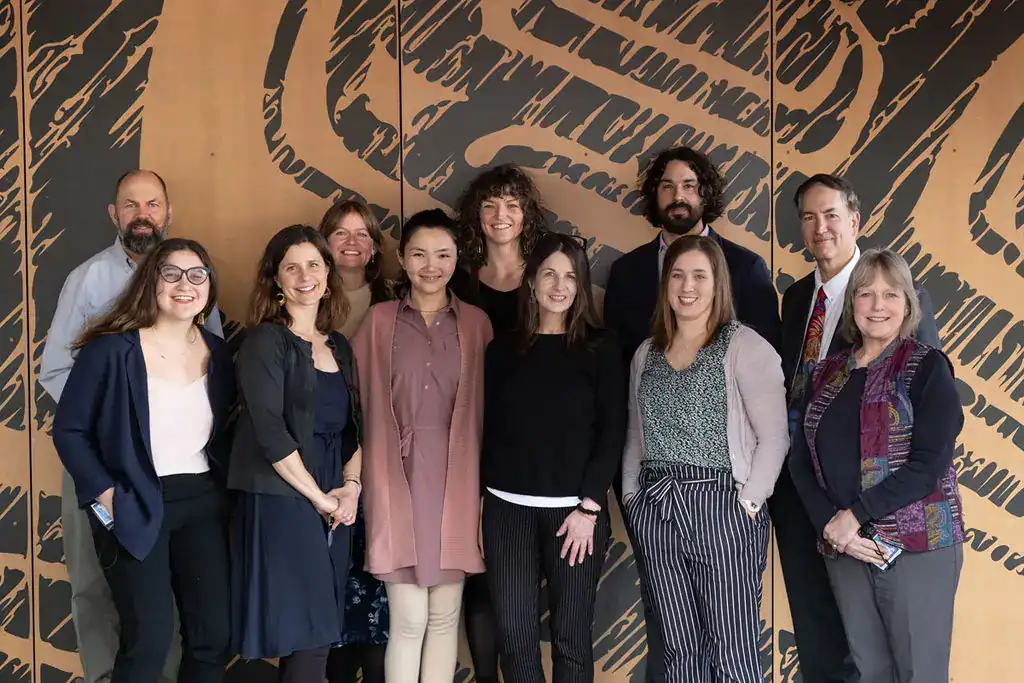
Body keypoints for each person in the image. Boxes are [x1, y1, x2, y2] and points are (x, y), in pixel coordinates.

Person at [39, 169, 223, 683]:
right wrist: (112, 442)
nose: (143, 215)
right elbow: (56, 371)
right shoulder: (89, 279)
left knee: (181, 615)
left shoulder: (198, 289)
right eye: (131, 205)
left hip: (185, 484)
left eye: (153, 205)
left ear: (168, 213)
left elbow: (211, 376)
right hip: (108, 464)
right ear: (114, 214)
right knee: (96, 588)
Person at [602, 147, 779, 682]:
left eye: (699, 277)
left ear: (717, 281)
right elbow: (634, 432)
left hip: (723, 503)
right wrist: (632, 499)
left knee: (732, 646)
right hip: (658, 505)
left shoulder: (743, 345)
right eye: (678, 276)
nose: (687, 287)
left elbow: (774, 436)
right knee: (677, 651)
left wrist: (747, 504)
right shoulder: (646, 353)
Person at [774, 174, 941, 683]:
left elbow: (924, 411)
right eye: (808, 217)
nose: (820, 227)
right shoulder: (797, 296)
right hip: (802, 493)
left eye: (830, 215)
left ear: (854, 221)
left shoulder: (902, 299)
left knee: (875, 651)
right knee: (816, 631)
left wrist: (864, 510)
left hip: (871, 507)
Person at [788, 248, 964, 683]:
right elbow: (799, 459)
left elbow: (929, 463)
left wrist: (854, 517)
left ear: (908, 303)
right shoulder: (827, 373)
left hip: (916, 546)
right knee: (868, 672)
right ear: (852, 305)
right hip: (845, 548)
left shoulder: (927, 366)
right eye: (866, 294)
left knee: (918, 673)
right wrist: (831, 524)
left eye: (890, 294)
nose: (878, 305)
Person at [351, 209, 493, 683]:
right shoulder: (379, 322)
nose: (430, 265)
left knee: (444, 619)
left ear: (457, 259)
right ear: (401, 259)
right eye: (418, 254)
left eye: (442, 254)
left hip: (458, 482)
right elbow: (352, 403)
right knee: (408, 621)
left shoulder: (477, 325)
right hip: (396, 479)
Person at [482, 232, 626, 683]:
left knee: (571, 638)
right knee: (516, 636)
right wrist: (481, 504)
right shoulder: (502, 349)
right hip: (506, 510)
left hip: (575, 515)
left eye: (570, 277)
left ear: (581, 286)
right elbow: (487, 431)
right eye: (549, 274)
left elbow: (612, 432)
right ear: (531, 281)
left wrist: (589, 506)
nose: (559, 286)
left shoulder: (601, 348)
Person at [230, 226, 363, 683]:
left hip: (333, 498)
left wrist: (350, 489)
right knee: (308, 632)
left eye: (314, 264)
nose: (305, 275)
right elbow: (270, 433)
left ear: (328, 273)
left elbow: (354, 429)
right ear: (275, 280)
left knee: (318, 634)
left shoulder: (340, 346)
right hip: (283, 496)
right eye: (291, 266)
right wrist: (320, 498)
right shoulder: (265, 342)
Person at [450, 164, 550, 683]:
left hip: (533, 445)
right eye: (490, 204)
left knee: (524, 581)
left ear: (527, 213)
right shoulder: (459, 281)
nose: (500, 215)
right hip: (468, 436)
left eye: (512, 204)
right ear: (476, 215)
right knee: (481, 576)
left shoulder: (547, 276)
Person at [318, 199, 393, 683]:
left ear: (375, 247)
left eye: (362, 233)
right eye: (340, 233)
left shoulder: (394, 301)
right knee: (330, 590)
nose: (351, 242)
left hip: (382, 459)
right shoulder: (305, 297)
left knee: (378, 592)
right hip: (321, 458)